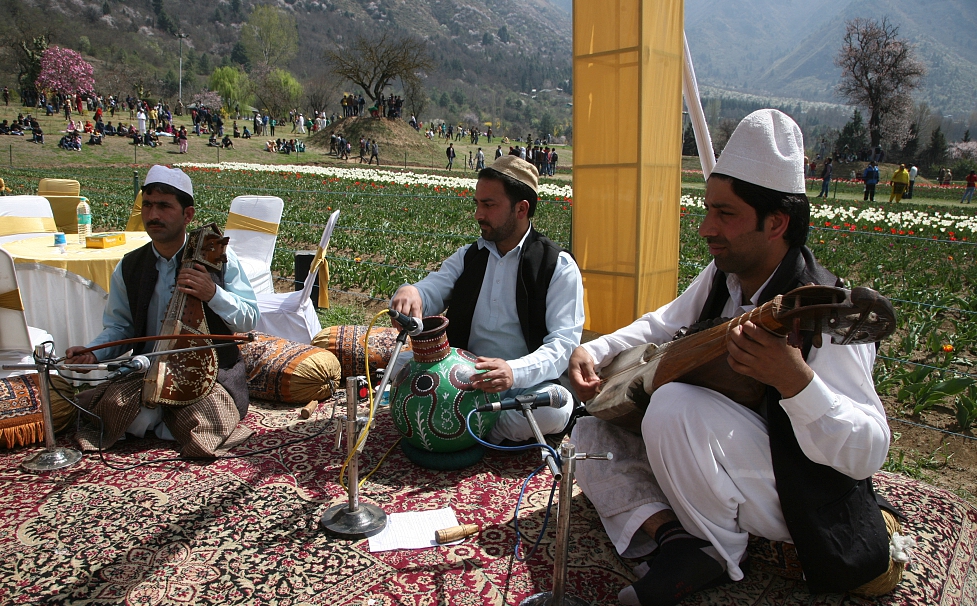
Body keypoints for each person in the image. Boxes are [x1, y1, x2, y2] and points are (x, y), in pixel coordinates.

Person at [569, 110, 898, 605]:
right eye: (709, 210)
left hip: (794, 491)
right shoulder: (725, 274)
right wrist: (593, 350)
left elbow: (869, 451)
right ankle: (674, 538)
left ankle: (716, 550)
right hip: (719, 465)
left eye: (726, 214)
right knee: (588, 436)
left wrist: (798, 384)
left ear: (777, 223)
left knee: (674, 405)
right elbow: (661, 323)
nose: (706, 228)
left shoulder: (817, 309)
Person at [65, 166, 259, 458]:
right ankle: (156, 419)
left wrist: (213, 293)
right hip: (149, 371)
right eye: (148, 206)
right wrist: (93, 352)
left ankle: (165, 422)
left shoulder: (217, 257)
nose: (153, 215)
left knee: (203, 420)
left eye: (164, 206)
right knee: (112, 407)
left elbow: (250, 318)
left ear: (188, 215)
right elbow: (121, 328)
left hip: (206, 376)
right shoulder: (130, 266)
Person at [391, 156, 584, 444]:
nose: (478, 214)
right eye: (478, 204)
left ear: (521, 209)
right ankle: (473, 423)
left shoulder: (557, 266)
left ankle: (461, 425)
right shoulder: (470, 256)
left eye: (489, 205)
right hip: (463, 377)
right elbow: (435, 286)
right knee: (398, 366)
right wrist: (412, 292)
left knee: (555, 410)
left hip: (523, 382)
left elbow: (563, 346)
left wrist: (513, 372)